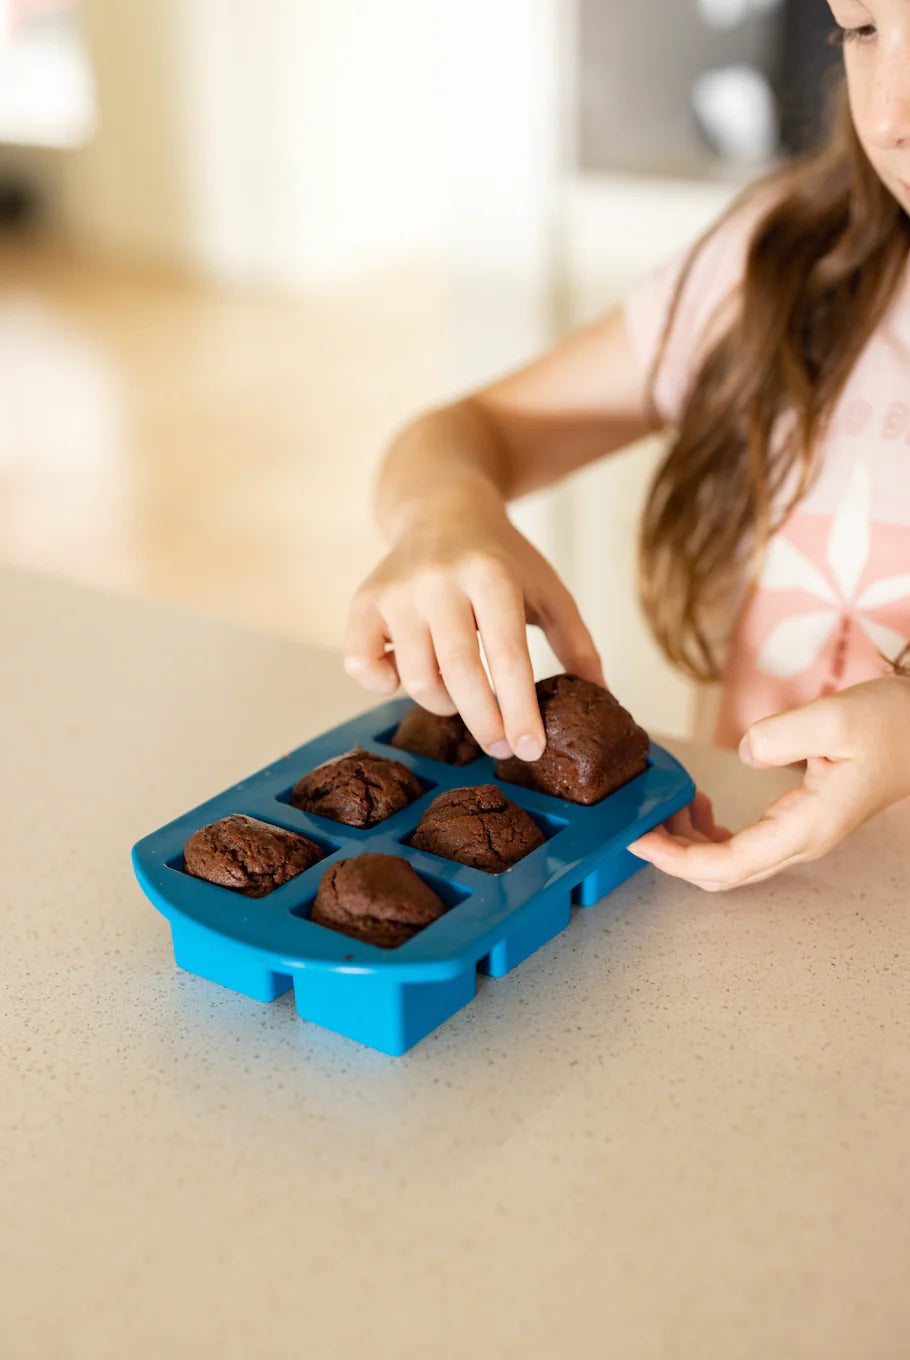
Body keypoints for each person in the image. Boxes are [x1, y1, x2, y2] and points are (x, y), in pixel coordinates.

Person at [343, 0, 910, 893]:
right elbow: (464, 434)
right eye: (864, 29)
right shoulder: (780, 258)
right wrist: (445, 515)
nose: (888, 119)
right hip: (766, 911)